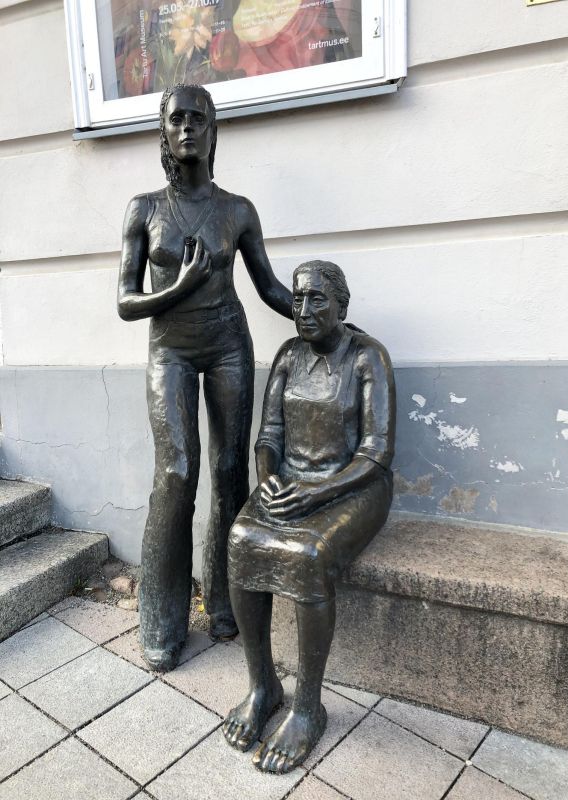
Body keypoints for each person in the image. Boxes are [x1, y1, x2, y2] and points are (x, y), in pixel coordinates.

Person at [117, 83, 293, 670]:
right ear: (163, 133)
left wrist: (320, 316)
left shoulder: (237, 211)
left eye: (198, 119)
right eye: (177, 119)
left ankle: (225, 603)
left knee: (229, 470)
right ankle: (162, 619)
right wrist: (180, 287)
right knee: (175, 472)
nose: (187, 127)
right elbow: (126, 302)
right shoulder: (143, 209)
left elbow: (268, 287)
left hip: (227, 348)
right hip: (169, 350)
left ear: (214, 132)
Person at [224, 260, 396, 773]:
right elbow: (269, 436)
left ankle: (307, 708)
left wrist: (318, 491)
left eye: (317, 299)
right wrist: (267, 480)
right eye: (298, 298)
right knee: (241, 538)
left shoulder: (368, 357)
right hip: (291, 485)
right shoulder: (288, 355)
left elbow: (376, 453)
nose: (303, 309)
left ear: (341, 305)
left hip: (355, 488)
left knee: (307, 553)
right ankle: (263, 687)